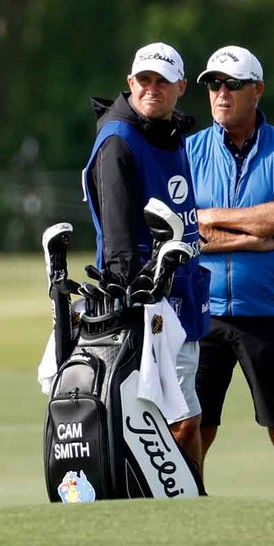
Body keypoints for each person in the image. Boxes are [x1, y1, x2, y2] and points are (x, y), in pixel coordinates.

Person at [186, 45, 274, 493]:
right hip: (200, 314)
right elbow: (186, 228)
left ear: (257, 90)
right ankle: (187, 534)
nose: (220, 94)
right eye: (213, 85)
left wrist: (211, 216)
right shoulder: (188, 150)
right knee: (191, 435)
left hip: (270, 313)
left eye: (232, 85)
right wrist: (246, 236)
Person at [84, 42, 210, 470]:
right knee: (179, 421)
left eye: (161, 81)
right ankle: (176, 506)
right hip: (147, 305)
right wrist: (128, 298)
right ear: (130, 83)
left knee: (184, 419)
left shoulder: (171, 134)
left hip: (181, 296)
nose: (151, 89)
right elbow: (118, 240)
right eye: (143, 81)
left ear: (180, 87)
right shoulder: (118, 140)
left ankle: (184, 504)